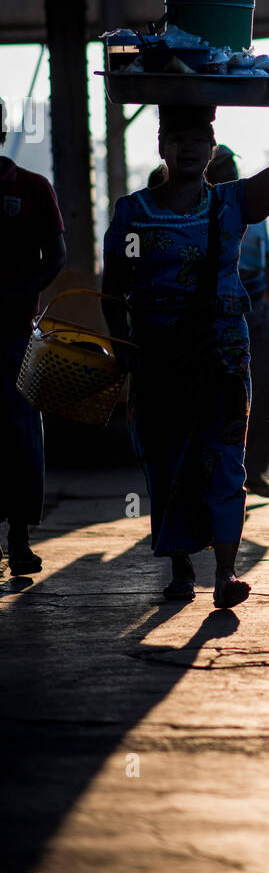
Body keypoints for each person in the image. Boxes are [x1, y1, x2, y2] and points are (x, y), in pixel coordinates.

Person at [101, 65, 269, 608]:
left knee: (223, 458)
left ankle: (225, 574)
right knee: (165, 461)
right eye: (179, 140)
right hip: (156, 358)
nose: (189, 149)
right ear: (163, 145)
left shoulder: (232, 203)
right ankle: (181, 569)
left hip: (222, 356)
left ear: (212, 148)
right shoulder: (132, 214)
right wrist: (122, 351)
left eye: (199, 140)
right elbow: (114, 288)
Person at [0, 98, 67, 574]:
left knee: (22, 434)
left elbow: (57, 254)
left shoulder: (34, 188)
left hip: (16, 334)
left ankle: (19, 536)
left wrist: (23, 291)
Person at [206, 144, 269, 495]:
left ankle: (253, 470)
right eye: (223, 168)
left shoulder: (254, 211)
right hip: (218, 313)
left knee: (265, 394)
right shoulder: (203, 212)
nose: (230, 174)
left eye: (231, 167)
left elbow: (266, 265)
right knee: (225, 396)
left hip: (257, 310)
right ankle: (222, 472)